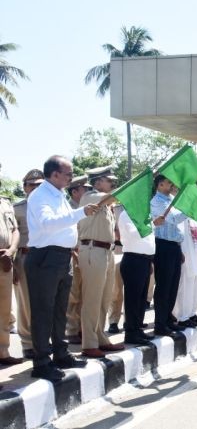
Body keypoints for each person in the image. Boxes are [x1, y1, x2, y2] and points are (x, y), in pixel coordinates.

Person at [25, 155, 99, 381]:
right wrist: (80, 213)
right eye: (68, 174)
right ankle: (41, 362)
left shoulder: (58, 195)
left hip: (61, 256)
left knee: (59, 310)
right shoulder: (40, 196)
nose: (71, 178)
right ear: (54, 174)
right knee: (43, 311)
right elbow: (48, 224)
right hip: (45, 257)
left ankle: (60, 353)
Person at [76, 166, 125, 358]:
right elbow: (117, 196)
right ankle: (89, 343)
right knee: (92, 299)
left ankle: (100, 337)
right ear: (97, 182)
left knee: (104, 299)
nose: (112, 183)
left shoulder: (105, 203)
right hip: (92, 250)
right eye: (108, 180)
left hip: (106, 251)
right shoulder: (90, 196)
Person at [150, 175, 189, 336]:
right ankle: (160, 324)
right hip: (163, 246)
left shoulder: (171, 199)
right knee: (164, 286)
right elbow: (172, 219)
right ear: (160, 185)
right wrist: (187, 211)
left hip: (174, 246)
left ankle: (168, 320)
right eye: (167, 182)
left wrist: (179, 249)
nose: (171, 183)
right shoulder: (156, 202)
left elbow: (177, 221)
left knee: (173, 286)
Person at [12, 169, 44, 360]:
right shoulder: (17, 208)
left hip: (45, 257)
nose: (35, 188)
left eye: (39, 185)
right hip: (24, 256)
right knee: (25, 303)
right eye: (32, 185)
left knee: (44, 302)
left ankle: (41, 340)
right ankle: (27, 343)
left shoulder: (46, 205)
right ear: (24, 187)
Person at [118, 207, 156, 345]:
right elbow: (133, 234)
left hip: (145, 259)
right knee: (133, 299)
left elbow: (149, 240)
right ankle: (131, 333)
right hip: (133, 259)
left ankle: (138, 329)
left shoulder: (144, 214)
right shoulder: (126, 214)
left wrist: (150, 260)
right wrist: (148, 223)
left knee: (141, 299)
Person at [65, 174, 91, 342]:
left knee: (84, 293)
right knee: (73, 295)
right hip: (73, 253)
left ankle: (82, 328)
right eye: (85, 189)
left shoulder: (85, 207)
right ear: (75, 192)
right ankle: (72, 330)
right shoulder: (69, 208)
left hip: (86, 252)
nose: (88, 191)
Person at [0, 181, 22, 366]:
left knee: (4, 311)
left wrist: (11, 250)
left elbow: (15, 230)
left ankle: (3, 351)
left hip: (5, 259)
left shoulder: (5, 203)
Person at [173, 214, 197, 329]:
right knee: (185, 288)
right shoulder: (181, 215)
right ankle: (183, 317)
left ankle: (192, 313)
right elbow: (178, 235)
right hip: (187, 257)